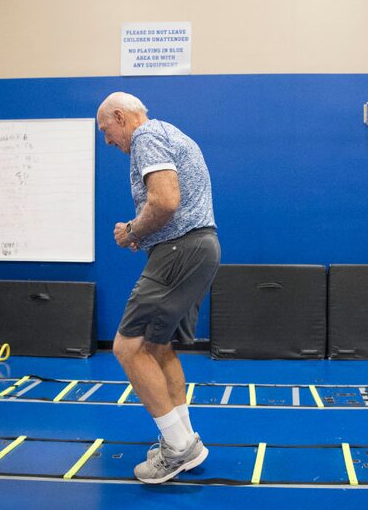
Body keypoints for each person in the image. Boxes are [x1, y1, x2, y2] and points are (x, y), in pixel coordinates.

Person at [97, 92, 220, 484]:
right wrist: (142, 234)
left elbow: (165, 201)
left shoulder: (147, 136)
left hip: (179, 251)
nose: (107, 140)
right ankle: (183, 439)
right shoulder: (169, 132)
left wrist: (131, 230)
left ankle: (179, 448)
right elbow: (170, 207)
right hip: (196, 247)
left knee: (127, 347)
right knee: (156, 346)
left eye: (106, 130)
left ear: (120, 116)